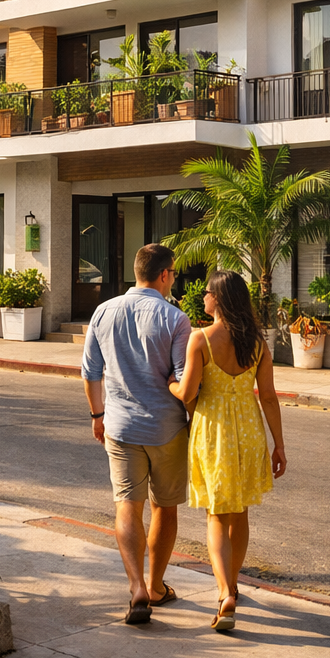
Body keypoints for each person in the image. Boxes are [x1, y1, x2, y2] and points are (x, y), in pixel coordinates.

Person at [169, 269, 286, 632]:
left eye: (206, 293)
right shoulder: (257, 342)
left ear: (217, 299)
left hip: (213, 431)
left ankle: (224, 593)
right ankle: (233, 582)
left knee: (216, 515)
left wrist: (171, 384)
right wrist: (278, 444)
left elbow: (188, 393)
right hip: (250, 431)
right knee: (240, 513)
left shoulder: (200, 339)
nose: (202, 297)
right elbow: (267, 396)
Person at [81, 243, 191, 625]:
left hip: (121, 425)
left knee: (128, 505)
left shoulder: (103, 311)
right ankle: (157, 585)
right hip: (168, 428)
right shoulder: (176, 319)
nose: (172, 278)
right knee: (164, 506)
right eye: (173, 273)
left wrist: (97, 415)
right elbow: (182, 378)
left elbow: (90, 372)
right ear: (164, 275)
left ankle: (136, 588)